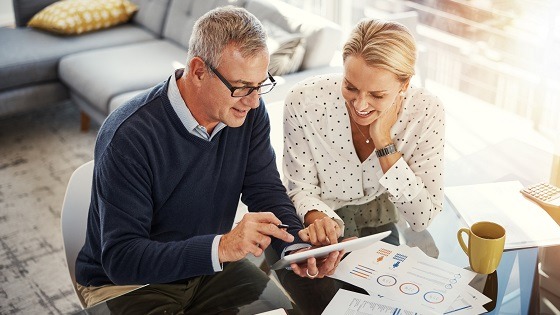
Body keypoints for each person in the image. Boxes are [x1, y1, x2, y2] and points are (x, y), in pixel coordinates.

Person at [74, 6, 342, 312]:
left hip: (207, 265)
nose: (253, 101)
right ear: (199, 70)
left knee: (285, 311)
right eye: (242, 87)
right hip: (128, 283)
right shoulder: (129, 135)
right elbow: (121, 259)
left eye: (261, 85)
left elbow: (265, 190)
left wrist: (298, 247)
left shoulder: (248, 113)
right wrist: (223, 246)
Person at [282, 18, 445, 247]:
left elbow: (422, 218)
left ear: (405, 85)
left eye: (377, 95)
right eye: (350, 87)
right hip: (313, 217)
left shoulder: (426, 112)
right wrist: (319, 221)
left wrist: (383, 141)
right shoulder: (304, 101)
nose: (360, 105)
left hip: (379, 218)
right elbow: (300, 188)